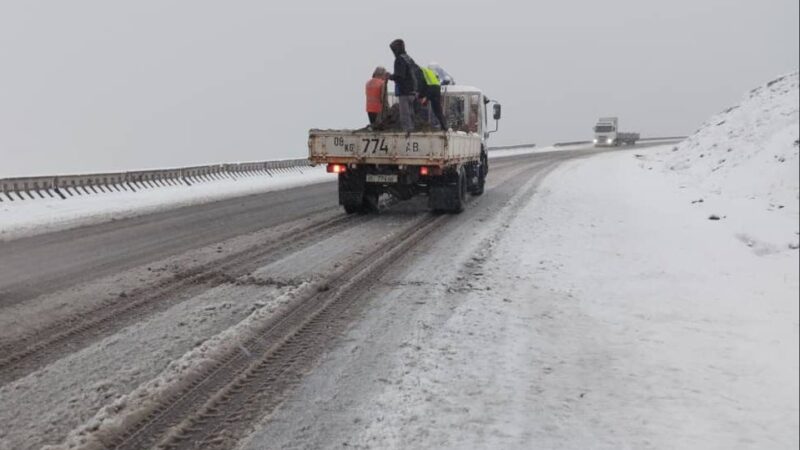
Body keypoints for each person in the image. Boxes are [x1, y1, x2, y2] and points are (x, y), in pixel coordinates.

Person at [387, 39, 420, 132]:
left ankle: (408, 132)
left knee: (405, 114)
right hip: (413, 90)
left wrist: (390, 76)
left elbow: (400, 76)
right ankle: (414, 129)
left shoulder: (399, 60)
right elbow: (417, 72)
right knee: (411, 113)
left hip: (404, 91)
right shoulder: (409, 58)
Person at [419, 65, 448, 131]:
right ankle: (444, 126)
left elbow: (423, 85)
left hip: (431, 87)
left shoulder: (420, 71)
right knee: (437, 110)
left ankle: (420, 125)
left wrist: (421, 96)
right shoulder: (430, 71)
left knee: (423, 105)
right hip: (437, 88)